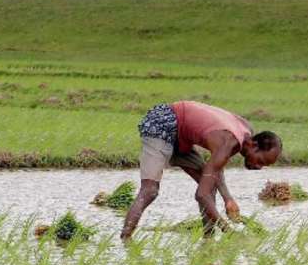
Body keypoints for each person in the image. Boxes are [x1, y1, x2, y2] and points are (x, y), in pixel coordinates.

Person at [120, 101, 281, 240]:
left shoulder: (245, 131)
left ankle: (208, 240)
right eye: (260, 161)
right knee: (150, 191)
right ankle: (125, 240)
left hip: (181, 135)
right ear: (253, 145)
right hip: (162, 122)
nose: (258, 167)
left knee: (209, 187)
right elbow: (201, 194)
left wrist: (228, 199)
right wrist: (227, 230)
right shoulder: (228, 142)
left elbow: (216, 167)